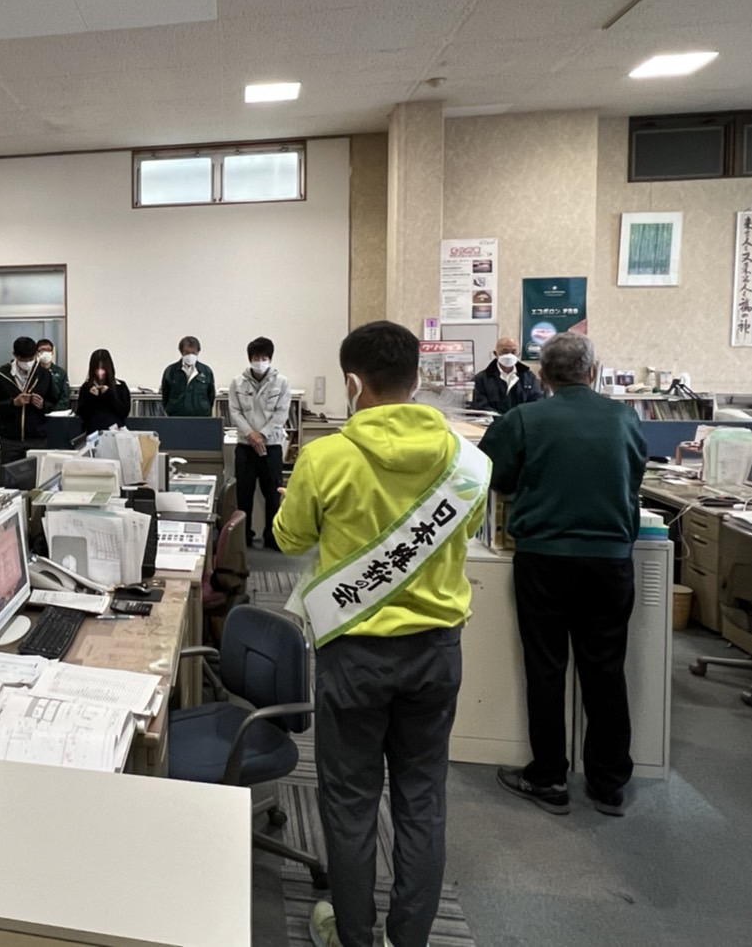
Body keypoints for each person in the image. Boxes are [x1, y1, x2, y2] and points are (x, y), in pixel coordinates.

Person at [273, 320, 490, 947]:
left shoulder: (325, 457)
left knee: (349, 800)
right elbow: (467, 529)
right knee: (422, 797)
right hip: (436, 651)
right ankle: (410, 938)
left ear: (351, 383)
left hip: (354, 653)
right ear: (417, 379)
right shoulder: (467, 460)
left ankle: (353, 934)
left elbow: (288, 538)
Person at [479, 332, 646, 818]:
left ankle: (549, 776)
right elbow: (634, 475)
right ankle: (608, 783)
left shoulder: (525, 418)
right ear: (592, 372)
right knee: (605, 667)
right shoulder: (624, 418)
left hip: (544, 557)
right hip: (610, 559)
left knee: (546, 665)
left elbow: (494, 475)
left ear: (543, 375)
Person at [229, 337, 292, 549]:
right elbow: (234, 412)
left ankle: (273, 537)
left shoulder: (281, 382)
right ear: (250, 359)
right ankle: (244, 537)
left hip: (271, 446)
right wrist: (250, 435)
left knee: (273, 494)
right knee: (243, 494)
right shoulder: (238, 382)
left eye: (264, 358)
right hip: (245, 447)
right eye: (257, 357)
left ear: (270, 359)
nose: (260, 362)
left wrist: (262, 435)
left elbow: (281, 414)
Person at [0, 336, 55, 465]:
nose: (28, 363)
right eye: (23, 360)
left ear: (36, 354)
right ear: (15, 355)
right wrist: (13, 403)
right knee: (10, 474)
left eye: (31, 359)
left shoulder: (44, 374)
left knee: (37, 475)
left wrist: (43, 405)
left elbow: (54, 403)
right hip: (11, 440)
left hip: (37, 438)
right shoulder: (1, 375)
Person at [472, 335, 542, 414]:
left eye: (513, 352)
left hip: (522, 420)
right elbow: (480, 406)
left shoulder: (529, 377)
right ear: (496, 354)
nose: (509, 355)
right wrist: (502, 418)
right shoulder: (481, 379)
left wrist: (517, 417)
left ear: (518, 354)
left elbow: (536, 403)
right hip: (494, 421)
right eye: (505, 352)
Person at [75, 349, 131, 433]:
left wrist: (110, 395)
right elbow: (82, 415)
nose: (100, 372)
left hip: (114, 432)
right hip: (92, 433)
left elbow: (124, 413)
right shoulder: (86, 388)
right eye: (97, 368)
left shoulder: (120, 386)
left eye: (103, 368)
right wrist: (91, 397)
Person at [160, 335, 215, 417]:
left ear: (198, 352)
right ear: (181, 352)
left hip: (201, 417)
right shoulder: (170, 371)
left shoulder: (206, 371)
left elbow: (211, 396)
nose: (190, 356)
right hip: (176, 417)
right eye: (186, 352)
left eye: (193, 352)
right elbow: (165, 395)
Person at [36, 338, 71, 412]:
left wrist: (55, 410)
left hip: (56, 412)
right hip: (37, 411)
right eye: (42, 350)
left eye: (48, 350)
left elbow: (65, 397)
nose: (45, 353)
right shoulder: (33, 372)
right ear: (37, 353)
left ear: (52, 352)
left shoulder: (61, 373)